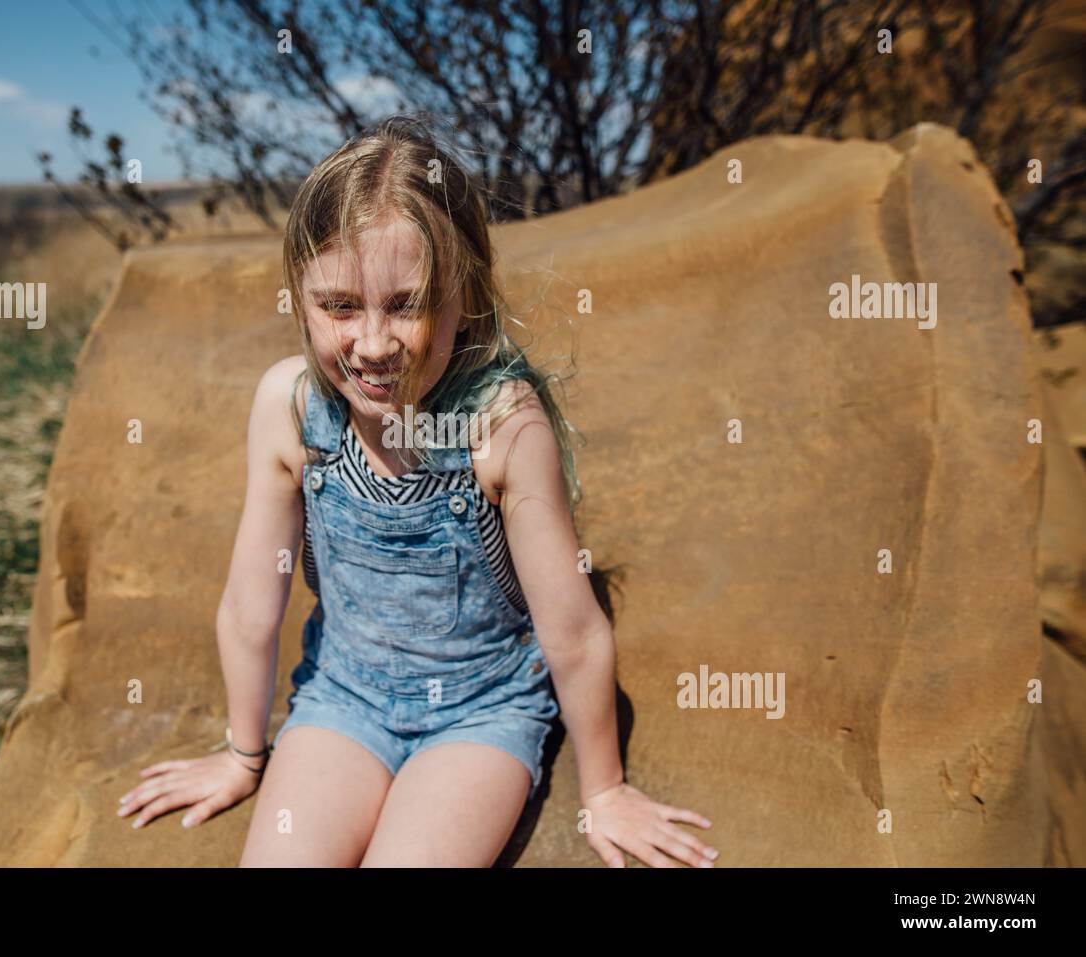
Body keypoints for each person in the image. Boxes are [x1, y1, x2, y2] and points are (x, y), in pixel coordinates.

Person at [117, 115, 719, 868]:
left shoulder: (502, 427)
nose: (373, 343)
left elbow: (574, 630)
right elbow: (249, 604)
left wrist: (604, 791)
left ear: (462, 293)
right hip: (343, 699)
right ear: (299, 297)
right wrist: (243, 753)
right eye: (338, 305)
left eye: (406, 304)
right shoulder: (290, 409)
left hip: (479, 712)